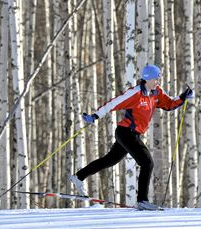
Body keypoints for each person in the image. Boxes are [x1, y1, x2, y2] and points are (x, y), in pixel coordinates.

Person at [70, 64, 194, 210]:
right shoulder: (135, 93)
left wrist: (183, 96)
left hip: (133, 134)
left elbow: (169, 104)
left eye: (158, 79)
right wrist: (95, 116)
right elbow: (114, 103)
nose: (158, 82)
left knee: (109, 160)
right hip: (125, 132)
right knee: (147, 163)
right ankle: (142, 200)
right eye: (155, 79)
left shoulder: (156, 93)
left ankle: (78, 177)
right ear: (147, 79)